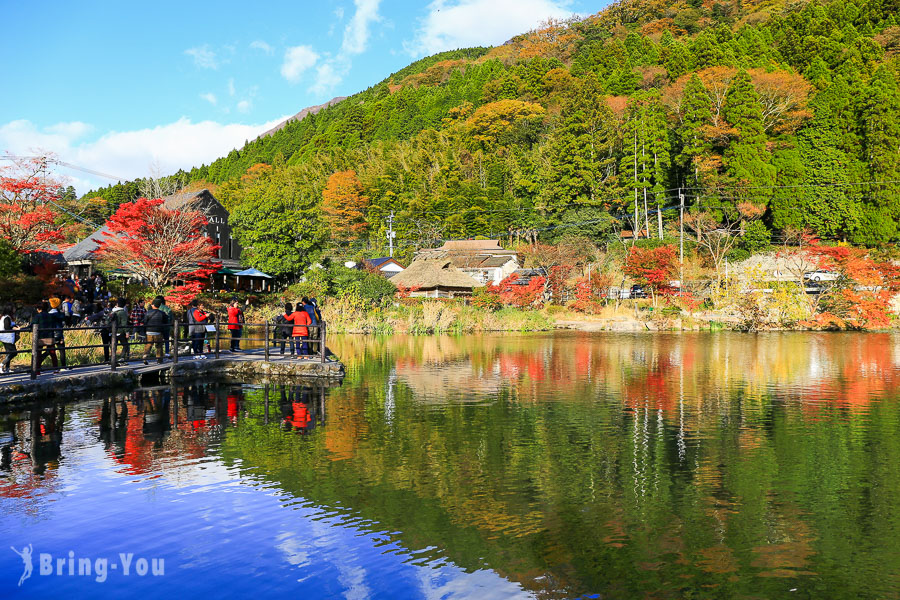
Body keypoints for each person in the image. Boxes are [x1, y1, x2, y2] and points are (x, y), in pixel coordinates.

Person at [30, 302, 58, 374]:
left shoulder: (38, 316)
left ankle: (37, 370)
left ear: (39, 309)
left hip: (40, 337)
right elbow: (54, 325)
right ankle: (56, 369)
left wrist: (21, 329)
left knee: (38, 353)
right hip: (50, 336)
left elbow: (32, 325)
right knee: (53, 353)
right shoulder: (51, 316)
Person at [142, 297, 169, 365]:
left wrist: (144, 331)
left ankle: (145, 356)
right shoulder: (162, 313)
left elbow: (145, 322)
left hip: (149, 332)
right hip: (158, 332)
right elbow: (165, 322)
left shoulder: (148, 313)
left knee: (148, 345)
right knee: (159, 346)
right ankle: (159, 360)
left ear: (153, 305)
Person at [47, 297, 69, 370]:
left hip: (50, 334)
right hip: (58, 334)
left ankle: (37, 365)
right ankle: (63, 366)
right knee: (61, 350)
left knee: (49, 351)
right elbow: (63, 320)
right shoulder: (59, 314)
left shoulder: (48, 314)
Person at [107, 298, 130, 363]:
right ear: (124, 305)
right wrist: (127, 332)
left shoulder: (113, 311)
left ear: (117, 304)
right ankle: (122, 358)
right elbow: (124, 323)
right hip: (120, 332)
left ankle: (112, 359)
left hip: (113, 331)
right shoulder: (122, 312)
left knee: (114, 346)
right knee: (125, 345)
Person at [0, 305, 21, 374]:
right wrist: (15, 328)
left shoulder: (5, 317)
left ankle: (7, 368)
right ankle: (1, 365)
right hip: (7, 337)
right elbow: (7, 328)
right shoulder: (7, 318)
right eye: (13, 308)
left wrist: (14, 326)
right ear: (10, 309)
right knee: (14, 352)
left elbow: (9, 326)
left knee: (9, 353)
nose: (15, 309)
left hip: (5, 337)